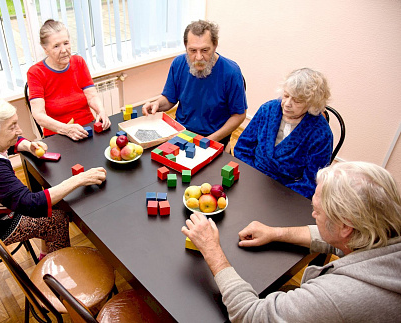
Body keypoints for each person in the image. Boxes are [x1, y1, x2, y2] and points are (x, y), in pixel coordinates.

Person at [182, 161, 401, 322]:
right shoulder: (383, 231)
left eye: (317, 211)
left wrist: (212, 249)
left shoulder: (338, 296)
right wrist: (276, 232)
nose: (313, 216)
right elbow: (341, 239)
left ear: (345, 226)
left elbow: (250, 315)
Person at [0, 97, 107, 258]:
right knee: (57, 220)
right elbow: (30, 204)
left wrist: (28, 145)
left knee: (52, 206)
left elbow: (4, 143)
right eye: (12, 127)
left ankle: (48, 252)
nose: (19, 130)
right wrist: (79, 179)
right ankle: (59, 271)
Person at [142, 20, 247, 147]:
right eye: (192, 51)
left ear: (215, 45)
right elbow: (169, 99)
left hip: (214, 136)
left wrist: (210, 140)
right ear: (185, 46)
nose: (198, 57)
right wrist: (157, 104)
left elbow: (239, 114)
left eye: (204, 50)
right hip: (181, 132)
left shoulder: (231, 72)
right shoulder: (178, 63)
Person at [234, 68, 333, 199]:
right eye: (286, 95)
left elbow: (311, 183)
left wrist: (278, 195)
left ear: (312, 104)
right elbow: (242, 148)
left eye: (297, 101)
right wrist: (253, 178)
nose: (286, 104)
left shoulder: (321, 134)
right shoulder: (268, 110)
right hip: (252, 178)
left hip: (286, 194)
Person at [27, 19, 111, 140]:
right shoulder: (35, 72)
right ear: (45, 49)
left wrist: (101, 111)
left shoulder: (78, 62)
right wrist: (66, 129)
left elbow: (92, 96)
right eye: (56, 46)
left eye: (66, 43)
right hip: (58, 133)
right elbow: (38, 115)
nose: (64, 50)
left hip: (87, 127)